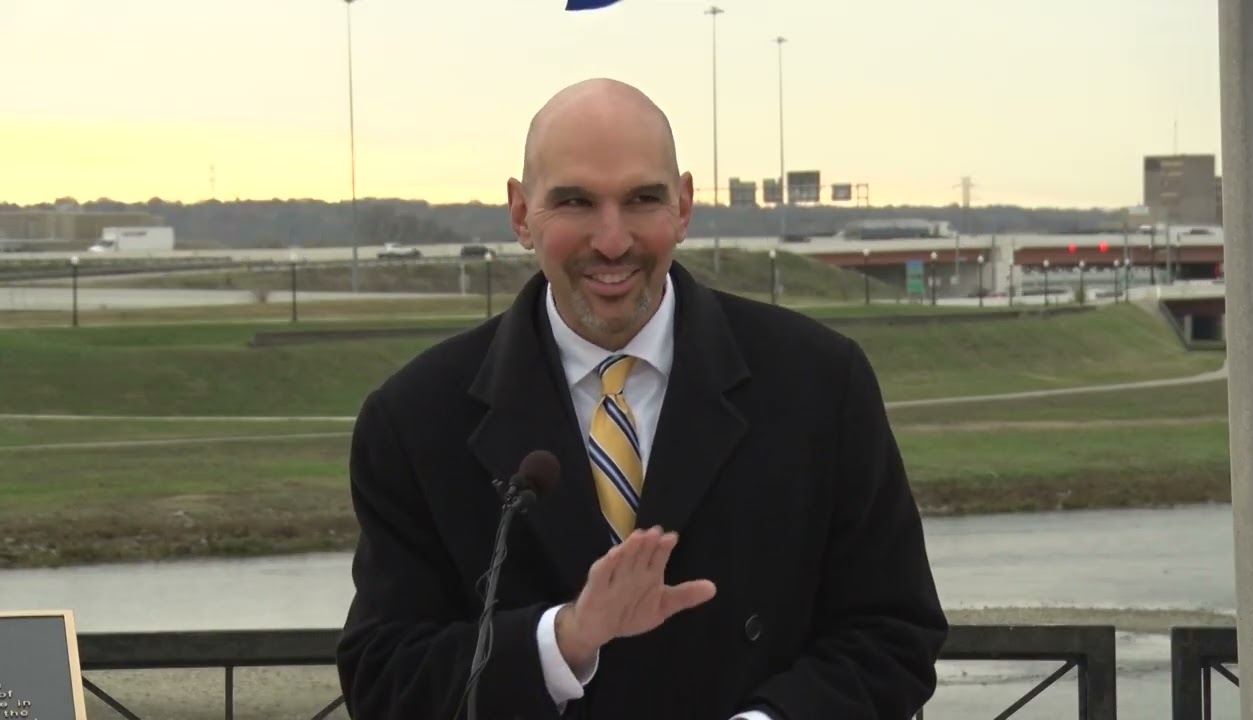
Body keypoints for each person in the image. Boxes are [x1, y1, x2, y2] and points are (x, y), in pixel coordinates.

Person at [336, 77, 948, 719]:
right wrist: (564, 640)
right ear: (520, 214)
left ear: (683, 206)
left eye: (642, 200)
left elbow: (893, 633)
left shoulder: (819, 384)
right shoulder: (415, 420)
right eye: (575, 202)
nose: (612, 240)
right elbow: (385, 679)